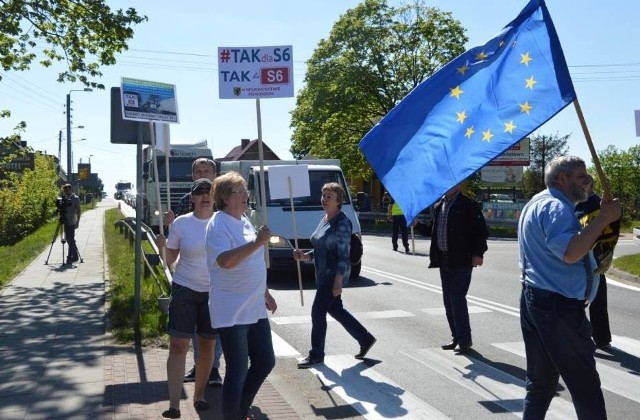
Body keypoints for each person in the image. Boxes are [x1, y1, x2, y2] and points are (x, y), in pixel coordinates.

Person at [518, 156, 622, 419]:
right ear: (561, 179)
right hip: (558, 308)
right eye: (580, 175)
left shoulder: (537, 202)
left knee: (541, 384)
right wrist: (603, 219)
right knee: (584, 385)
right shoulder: (556, 208)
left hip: (537, 300)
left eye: (587, 174)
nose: (587, 179)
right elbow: (570, 252)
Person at [205, 171, 277, 420]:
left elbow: (253, 262)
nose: (247, 195)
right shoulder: (218, 224)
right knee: (237, 369)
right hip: (232, 309)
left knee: (266, 361)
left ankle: (241, 409)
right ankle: (232, 416)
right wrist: (258, 242)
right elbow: (225, 261)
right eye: (240, 191)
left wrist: (265, 292)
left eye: (246, 190)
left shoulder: (245, 219)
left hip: (254, 305)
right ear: (225, 197)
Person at [294, 182, 376, 368]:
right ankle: (365, 339)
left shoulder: (342, 222)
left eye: (329, 196)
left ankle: (316, 355)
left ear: (339, 200)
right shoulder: (324, 219)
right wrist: (305, 256)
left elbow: (343, 254)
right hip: (322, 274)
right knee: (336, 310)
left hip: (333, 276)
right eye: (323, 195)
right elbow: (322, 248)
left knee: (317, 313)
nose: (324, 199)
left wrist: (338, 281)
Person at [157, 178, 218, 418]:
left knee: (206, 345)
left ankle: (199, 396)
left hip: (214, 292)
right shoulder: (182, 223)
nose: (204, 194)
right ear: (191, 198)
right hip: (184, 289)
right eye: (199, 191)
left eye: (209, 190)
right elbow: (170, 260)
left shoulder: (224, 222)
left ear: (215, 197)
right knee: (179, 344)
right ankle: (173, 404)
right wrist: (163, 246)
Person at [163, 157, 223, 386]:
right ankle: (200, 367)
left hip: (218, 279)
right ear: (192, 176)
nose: (202, 174)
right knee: (195, 332)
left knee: (213, 332)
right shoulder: (183, 202)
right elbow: (177, 236)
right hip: (189, 280)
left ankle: (212, 368)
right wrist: (170, 224)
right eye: (198, 171)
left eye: (207, 170)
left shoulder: (224, 201)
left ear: (215, 174)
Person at [429, 183, 488, 354]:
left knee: (456, 298)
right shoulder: (440, 205)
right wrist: (417, 225)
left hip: (462, 259)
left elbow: (480, 231)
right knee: (448, 301)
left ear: (456, 185)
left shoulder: (468, 204)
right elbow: (434, 231)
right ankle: (456, 336)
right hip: (444, 259)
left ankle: (464, 340)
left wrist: (478, 253)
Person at [575, 174, 620, 350]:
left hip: (593, 257)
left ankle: (601, 336)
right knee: (575, 300)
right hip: (576, 258)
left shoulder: (597, 204)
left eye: (587, 183)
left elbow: (608, 228)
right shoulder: (574, 202)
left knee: (598, 298)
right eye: (581, 182)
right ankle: (581, 333)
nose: (584, 185)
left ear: (592, 185)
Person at [60, 184, 81, 265]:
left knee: (70, 239)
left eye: (67, 189)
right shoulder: (63, 198)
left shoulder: (76, 198)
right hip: (65, 221)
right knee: (69, 240)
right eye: (65, 190)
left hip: (72, 221)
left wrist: (78, 222)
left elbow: (78, 210)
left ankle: (70, 257)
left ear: (71, 189)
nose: (66, 191)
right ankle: (75, 256)